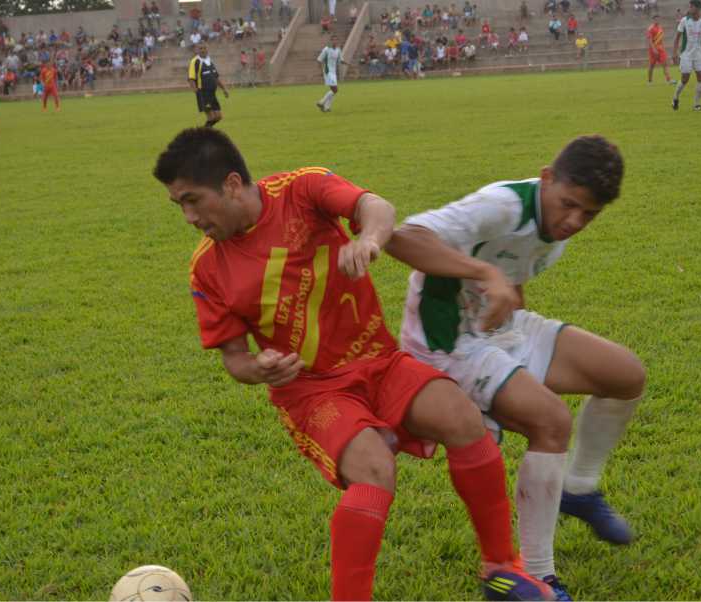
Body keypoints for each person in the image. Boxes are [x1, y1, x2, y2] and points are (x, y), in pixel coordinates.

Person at [151, 127, 554, 602]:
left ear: (233, 184)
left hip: (377, 360)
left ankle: (500, 569)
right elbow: (234, 358)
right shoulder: (207, 268)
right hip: (311, 390)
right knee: (374, 469)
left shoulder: (301, 189)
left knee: (463, 419)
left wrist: (369, 240)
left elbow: (376, 208)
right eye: (180, 204)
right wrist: (259, 368)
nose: (189, 217)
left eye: (193, 200)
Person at [386, 135, 645, 602]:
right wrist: (486, 277)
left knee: (626, 376)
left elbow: (513, 269)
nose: (574, 222)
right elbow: (402, 237)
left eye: (589, 214)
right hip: (447, 342)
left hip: (500, 329)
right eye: (568, 205)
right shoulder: (502, 204)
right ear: (546, 177)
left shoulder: (557, 228)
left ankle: (578, 491)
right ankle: (540, 577)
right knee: (551, 421)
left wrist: (507, 294)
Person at [672, 0, 701, 111]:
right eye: (689, 6)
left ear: (697, 8)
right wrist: (674, 53)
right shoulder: (684, 21)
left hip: (699, 53)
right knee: (685, 78)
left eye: (691, 6)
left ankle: (696, 104)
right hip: (686, 54)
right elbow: (677, 38)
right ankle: (675, 97)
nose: (689, 8)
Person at [188, 44, 229, 127]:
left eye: (204, 48)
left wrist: (224, 89)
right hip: (203, 93)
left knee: (218, 116)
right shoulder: (195, 61)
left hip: (212, 94)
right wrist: (196, 91)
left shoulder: (209, 61)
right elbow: (191, 78)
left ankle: (205, 131)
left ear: (207, 49)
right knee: (211, 117)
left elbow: (216, 77)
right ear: (197, 50)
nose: (203, 50)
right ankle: (205, 134)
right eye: (200, 48)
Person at [316, 35, 347, 112]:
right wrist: (320, 70)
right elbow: (319, 60)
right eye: (333, 40)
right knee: (335, 89)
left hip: (334, 72)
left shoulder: (338, 50)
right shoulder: (326, 49)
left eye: (336, 40)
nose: (335, 41)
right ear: (331, 41)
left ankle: (327, 107)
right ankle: (321, 102)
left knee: (333, 90)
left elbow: (340, 60)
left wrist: (346, 63)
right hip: (328, 71)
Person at [646, 14, 673, 84]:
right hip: (653, 50)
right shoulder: (650, 28)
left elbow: (660, 39)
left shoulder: (660, 28)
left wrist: (662, 46)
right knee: (651, 66)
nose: (657, 20)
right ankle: (649, 81)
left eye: (658, 19)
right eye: (656, 19)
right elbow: (650, 40)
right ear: (653, 20)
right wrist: (654, 49)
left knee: (665, 64)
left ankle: (668, 80)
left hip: (661, 49)